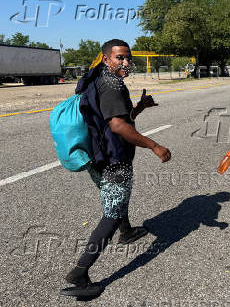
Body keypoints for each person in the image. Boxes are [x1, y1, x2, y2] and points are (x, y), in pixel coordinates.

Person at [62, 39, 171, 296]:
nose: (125, 62)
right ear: (106, 59)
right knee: (111, 212)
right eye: (119, 57)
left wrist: (139, 108)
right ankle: (80, 272)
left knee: (116, 199)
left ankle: (128, 231)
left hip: (97, 155)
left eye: (127, 58)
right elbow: (118, 127)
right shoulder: (111, 84)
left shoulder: (97, 78)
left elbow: (119, 118)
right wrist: (155, 146)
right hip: (113, 159)